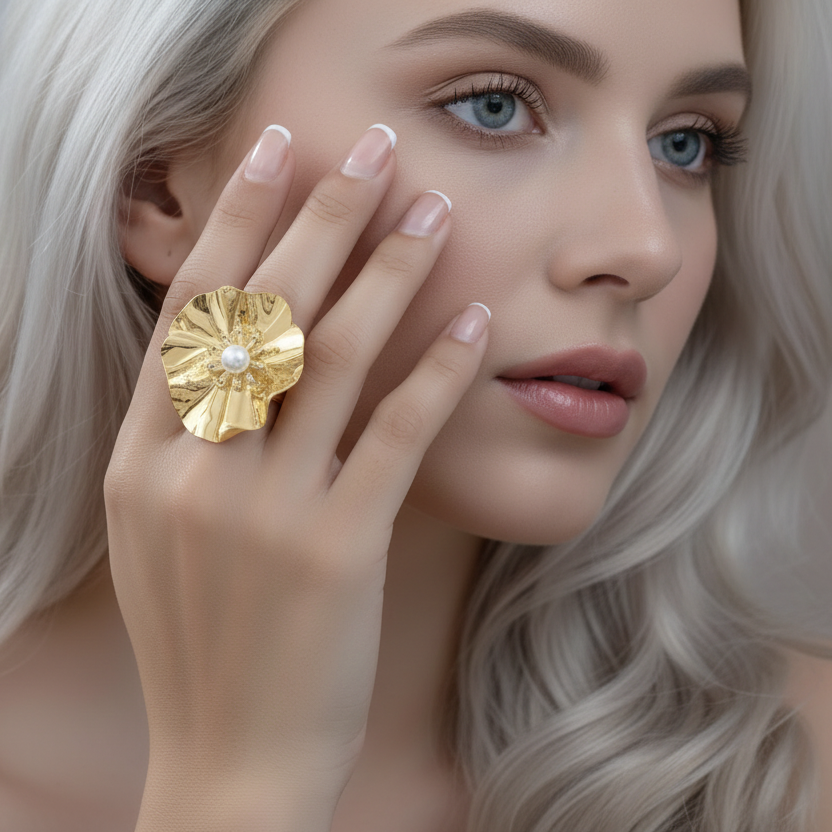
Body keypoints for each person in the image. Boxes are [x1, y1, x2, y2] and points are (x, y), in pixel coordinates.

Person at [0, 0, 830, 829]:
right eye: (494, 105)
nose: (649, 249)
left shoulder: (796, 775)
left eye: (685, 143)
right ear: (156, 187)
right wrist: (242, 785)